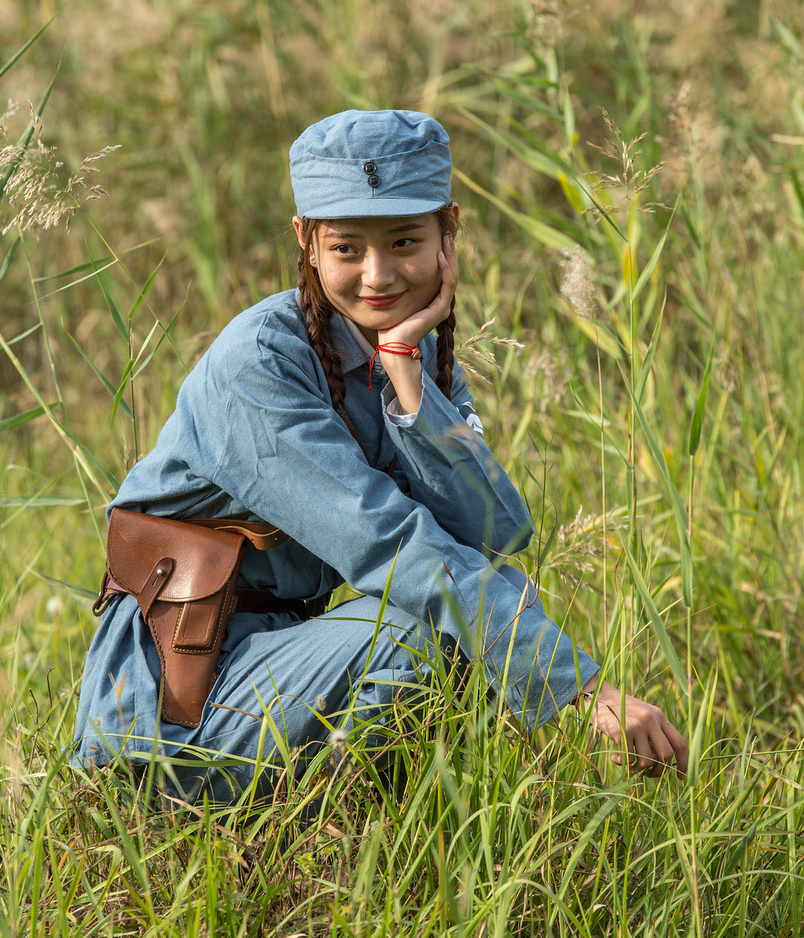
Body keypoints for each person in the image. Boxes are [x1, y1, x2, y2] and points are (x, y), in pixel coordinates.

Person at [73, 109, 687, 802]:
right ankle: (314, 835)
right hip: (171, 708)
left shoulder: (404, 350)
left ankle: (372, 833)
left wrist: (412, 392)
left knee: (489, 600)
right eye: (347, 248)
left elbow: (496, 529)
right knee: (428, 627)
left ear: (448, 231)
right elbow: (390, 546)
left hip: (280, 666)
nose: (378, 274)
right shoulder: (259, 361)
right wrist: (577, 688)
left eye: (404, 241)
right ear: (305, 241)